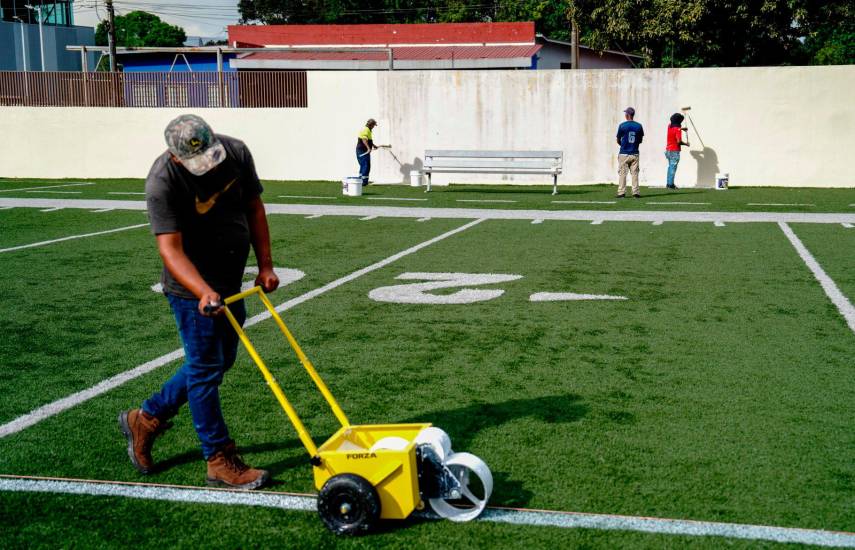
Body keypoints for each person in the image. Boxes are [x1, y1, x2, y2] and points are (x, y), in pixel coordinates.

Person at [119, 114, 280, 489]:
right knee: (206, 369)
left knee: (218, 362)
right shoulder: (163, 181)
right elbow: (169, 249)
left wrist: (266, 264)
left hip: (230, 280)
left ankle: (146, 418)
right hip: (192, 290)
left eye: (211, 156)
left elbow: (254, 208)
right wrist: (202, 291)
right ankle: (218, 459)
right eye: (197, 162)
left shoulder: (236, 152)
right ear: (175, 157)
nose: (208, 166)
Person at [616, 107, 644, 198]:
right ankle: (635, 192)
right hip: (635, 153)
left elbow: (618, 140)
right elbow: (640, 140)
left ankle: (621, 192)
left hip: (624, 153)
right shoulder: (639, 126)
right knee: (635, 174)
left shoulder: (622, 125)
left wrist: (623, 146)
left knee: (623, 173)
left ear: (627, 115)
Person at [665, 113, 689, 189]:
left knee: (670, 167)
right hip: (674, 151)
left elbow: (675, 129)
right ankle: (671, 185)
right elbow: (679, 141)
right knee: (673, 168)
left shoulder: (669, 126)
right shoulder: (678, 130)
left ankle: (668, 183)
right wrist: (686, 144)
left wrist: (682, 129)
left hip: (668, 150)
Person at [356, 118, 378, 186]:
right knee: (366, 165)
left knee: (363, 165)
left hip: (362, 150)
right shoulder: (366, 130)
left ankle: (360, 180)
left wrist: (373, 145)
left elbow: (368, 140)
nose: (374, 126)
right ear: (371, 125)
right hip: (363, 151)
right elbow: (364, 140)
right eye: (374, 125)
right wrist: (368, 148)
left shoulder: (368, 130)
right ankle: (364, 182)